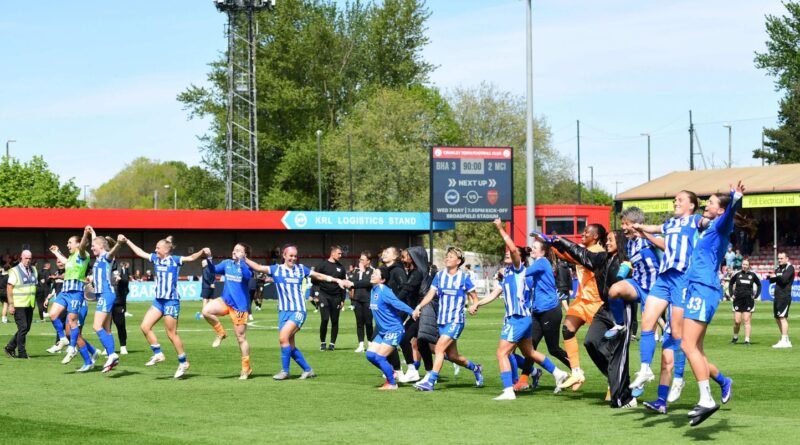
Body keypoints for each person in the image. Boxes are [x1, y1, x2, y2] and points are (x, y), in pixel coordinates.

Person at [471, 220, 569, 400]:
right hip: (521, 318)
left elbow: (514, 250)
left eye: (511, 252)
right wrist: (477, 304)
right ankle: (558, 373)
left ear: (519, 258)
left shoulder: (518, 269)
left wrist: (500, 229)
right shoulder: (507, 273)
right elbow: (494, 294)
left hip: (518, 317)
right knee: (529, 352)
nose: (508, 253)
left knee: (502, 353)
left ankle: (508, 390)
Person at [544, 230, 639, 408]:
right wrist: (561, 241)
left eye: (610, 240)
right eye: (607, 240)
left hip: (621, 310)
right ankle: (616, 380)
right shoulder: (602, 258)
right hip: (605, 308)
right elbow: (580, 254)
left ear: (620, 242)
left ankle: (624, 395)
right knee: (591, 342)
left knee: (617, 353)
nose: (607, 243)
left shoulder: (627, 261)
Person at [681, 182, 743, 426]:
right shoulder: (709, 228)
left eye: (712, 203)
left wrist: (736, 197)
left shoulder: (720, 225)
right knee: (696, 348)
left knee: (687, 345)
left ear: (721, 210)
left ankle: (706, 399)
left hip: (703, 288)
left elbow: (730, 212)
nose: (707, 205)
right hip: (698, 287)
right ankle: (723, 381)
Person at [629, 190, 702, 395]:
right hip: (664, 277)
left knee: (677, 333)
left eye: (680, 200)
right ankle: (645, 369)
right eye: (674, 200)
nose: (675, 202)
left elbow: (710, 223)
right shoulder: (670, 223)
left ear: (691, 205)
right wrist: (639, 227)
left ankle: (678, 377)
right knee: (647, 321)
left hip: (682, 278)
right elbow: (655, 229)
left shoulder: (695, 220)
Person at [245, 244, 352, 380]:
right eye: (291, 255)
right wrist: (244, 259)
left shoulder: (301, 269)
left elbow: (319, 276)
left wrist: (337, 280)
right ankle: (308, 370)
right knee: (289, 345)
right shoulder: (276, 269)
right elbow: (258, 267)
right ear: (284, 255)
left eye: (295, 256)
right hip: (283, 312)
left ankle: (285, 371)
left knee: (283, 338)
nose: (293, 258)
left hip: (298, 310)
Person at [121, 235, 208, 379]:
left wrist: (202, 251)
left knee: (171, 334)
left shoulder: (174, 260)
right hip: (158, 301)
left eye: (158, 248)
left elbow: (192, 257)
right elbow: (140, 252)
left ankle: (183, 362)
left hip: (171, 301)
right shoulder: (155, 258)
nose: (155, 250)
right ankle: (158, 354)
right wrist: (128, 241)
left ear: (166, 250)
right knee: (145, 326)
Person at [412, 247, 483, 392]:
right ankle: (476, 368)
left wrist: (474, 306)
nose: (447, 258)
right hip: (442, 321)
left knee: (439, 349)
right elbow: (430, 294)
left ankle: (430, 382)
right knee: (452, 356)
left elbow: (474, 297)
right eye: (447, 256)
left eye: (451, 256)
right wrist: (419, 306)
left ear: (459, 261)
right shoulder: (439, 276)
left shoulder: (464, 278)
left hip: (455, 321)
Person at [551, 224, 608, 391]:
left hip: (595, 302)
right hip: (581, 300)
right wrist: (552, 244)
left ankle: (613, 380)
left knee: (599, 344)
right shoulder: (585, 250)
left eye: (586, 232)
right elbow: (570, 256)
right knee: (567, 330)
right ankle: (576, 372)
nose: (583, 234)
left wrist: (558, 244)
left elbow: (575, 257)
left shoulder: (597, 251)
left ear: (595, 236)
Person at [48, 227, 99, 371]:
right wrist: (56, 252)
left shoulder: (83, 254)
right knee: (53, 315)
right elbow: (66, 261)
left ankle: (74, 351)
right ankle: (64, 340)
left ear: (78, 244)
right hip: (65, 291)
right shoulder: (71, 257)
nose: (67, 245)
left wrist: (85, 234)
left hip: (76, 293)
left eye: (70, 242)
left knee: (72, 326)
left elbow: (82, 246)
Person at [203, 243, 254, 379]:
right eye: (234, 249)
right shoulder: (227, 263)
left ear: (245, 254)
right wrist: (209, 257)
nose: (234, 252)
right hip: (225, 301)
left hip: (239, 306)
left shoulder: (247, 266)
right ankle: (221, 333)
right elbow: (213, 270)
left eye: (238, 250)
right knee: (206, 311)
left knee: (241, 338)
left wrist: (242, 261)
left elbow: (247, 276)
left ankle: (246, 368)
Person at [366, 266, 415, 390]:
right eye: (373, 273)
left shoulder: (384, 290)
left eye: (376, 274)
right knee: (370, 355)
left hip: (394, 330)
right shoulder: (373, 290)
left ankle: (392, 383)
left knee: (380, 357)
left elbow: (397, 303)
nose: (372, 275)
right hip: (383, 331)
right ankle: (391, 372)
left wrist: (412, 312)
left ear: (382, 280)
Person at [89, 233, 126, 373]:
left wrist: (119, 243)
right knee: (106, 329)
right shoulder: (98, 258)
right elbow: (98, 243)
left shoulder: (106, 256)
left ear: (101, 246)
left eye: (93, 246)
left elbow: (112, 252)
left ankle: (112, 355)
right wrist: (92, 233)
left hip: (106, 294)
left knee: (96, 326)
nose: (91, 248)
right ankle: (112, 356)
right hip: (102, 295)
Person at [396, 247, 429, 383]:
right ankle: (417, 371)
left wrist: (392, 302)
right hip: (417, 312)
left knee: (410, 341)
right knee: (418, 343)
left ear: (413, 257)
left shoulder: (417, 273)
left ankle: (420, 372)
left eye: (405, 256)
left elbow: (407, 290)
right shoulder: (414, 272)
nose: (403, 259)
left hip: (422, 312)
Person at [4, 250, 37, 359]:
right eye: (26, 258)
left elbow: (34, 286)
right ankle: (22, 353)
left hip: (30, 304)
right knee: (23, 327)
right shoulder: (15, 270)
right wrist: (11, 304)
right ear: (21, 258)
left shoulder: (34, 270)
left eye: (30, 258)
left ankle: (9, 347)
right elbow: (9, 287)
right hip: (18, 304)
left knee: (26, 328)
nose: (28, 260)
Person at [315, 246, 347, 351]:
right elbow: (314, 279)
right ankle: (323, 343)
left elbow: (343, 284)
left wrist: (343, 299)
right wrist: (316, 294)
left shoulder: (341, 268)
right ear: (332, 253)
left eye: (341, 254)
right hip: (324, 295)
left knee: (335, 320)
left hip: (336, 297)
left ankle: (332, 344)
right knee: (325, 319)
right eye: (339, 253)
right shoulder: (322, 265)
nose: (340, 255)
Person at [729, 259, 761, 345]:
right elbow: (731, 283)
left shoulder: (752, 275)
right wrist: (731, 294)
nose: (744, 266)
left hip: (748, 300)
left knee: (746, 320)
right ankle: (735, 337)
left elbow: (759, 284)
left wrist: (756, 295)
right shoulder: (737, 274)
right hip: (738, 300)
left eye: (746, 264)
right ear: (741, 265)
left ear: (749, 266)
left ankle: (747, 340)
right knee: (737, 321)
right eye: (743, 264)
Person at [350, 251, 375, 353]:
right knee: (359, 323)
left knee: (368, 322)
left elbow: (368, 283)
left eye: (362, 259)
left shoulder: (373, 271)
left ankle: (370, 343)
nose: (360, 261)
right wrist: (360, 273)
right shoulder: (356, 271)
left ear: (368, 261)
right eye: (360, 259)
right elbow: (353, 282)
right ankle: (361, 344)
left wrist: (363, 272)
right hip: (357, 300)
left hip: (368, 300)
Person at [770, 251, 795, 348]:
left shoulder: (790, 268)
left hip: (784, 296)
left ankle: (784, 340)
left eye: (781, 258)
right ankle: (786, 339)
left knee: (782, 317)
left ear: (786, 259)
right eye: (778, 258)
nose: (779, 260)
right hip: (777, 296)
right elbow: (771, 280)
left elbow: (784, 280)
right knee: (777, 318)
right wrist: (774, 277)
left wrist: (775, 277)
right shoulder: (778, 268)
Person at [113, 262, 130, 355]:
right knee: (105, 326)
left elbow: (126, 282)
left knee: (120, 324)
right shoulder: (104, 269)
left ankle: (123, 346)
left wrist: (120, 280)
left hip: (118, 301)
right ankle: (107, 347)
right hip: (106, 301)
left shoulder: (120, 269)